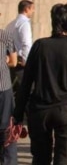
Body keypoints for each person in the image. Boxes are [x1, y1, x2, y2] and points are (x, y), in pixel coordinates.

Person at [14, 3, 67, 165]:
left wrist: (18, 115)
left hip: (40, 108)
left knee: (40, 157)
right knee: (64, 156)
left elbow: (26, 83)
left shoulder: (39, 45)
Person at [5, 0, 34, 106]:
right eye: (32, 9)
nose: (33, 12)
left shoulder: (11, 24)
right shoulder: (24, 24)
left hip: (10, 60)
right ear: (26, 9)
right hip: (21, 62)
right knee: (26, 91)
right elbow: (26, 44)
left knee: (12, 91)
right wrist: (27, 62)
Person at [0, 26, 18, 165]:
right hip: (3, 88)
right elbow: (14, 62)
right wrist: (5, 60)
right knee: (7, 128)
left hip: (4, 89)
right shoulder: (5, 36)